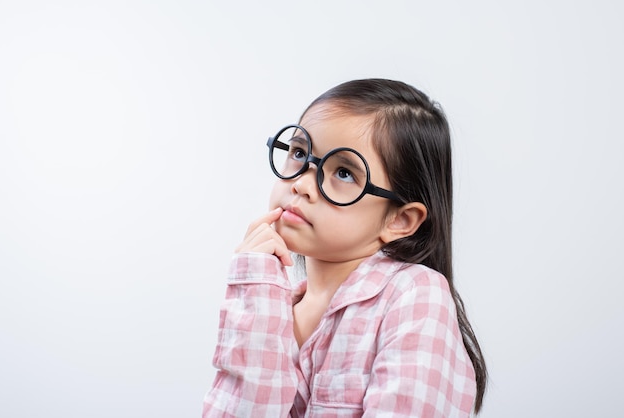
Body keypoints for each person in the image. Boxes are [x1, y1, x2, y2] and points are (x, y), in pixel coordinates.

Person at [202, 78, 487, 417]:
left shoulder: (414, 295)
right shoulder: (274, 300)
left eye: (344, 173)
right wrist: (255, 295)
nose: (303, 184)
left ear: (400, 219)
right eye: (298, 153)